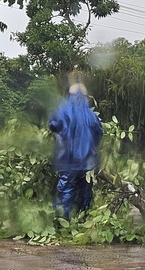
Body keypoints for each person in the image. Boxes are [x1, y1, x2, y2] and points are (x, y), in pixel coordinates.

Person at [48, 83, 103, 219]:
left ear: (70, 96)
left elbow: (53, 126)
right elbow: (99, 134)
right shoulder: (92, 116)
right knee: (85, 194)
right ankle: (82, 221)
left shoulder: (63, 112)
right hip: (88, 164)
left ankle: (62, 222)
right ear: (85, 97)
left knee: (66, 193)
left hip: (68, 162)